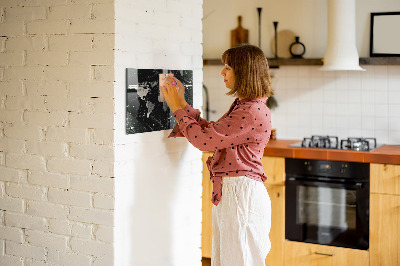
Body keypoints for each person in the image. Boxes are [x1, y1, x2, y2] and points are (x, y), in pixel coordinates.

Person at [161, 44, 273, 266]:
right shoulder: (246, 106)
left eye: (228, 67)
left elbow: (204, 141)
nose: (222, 72)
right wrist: (182, 103)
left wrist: (176, 107)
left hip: (241, 195)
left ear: (244, 72)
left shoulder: (250, 111)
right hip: (236, 193)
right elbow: (212, 133)